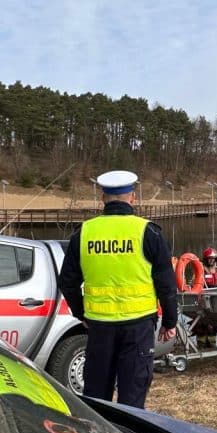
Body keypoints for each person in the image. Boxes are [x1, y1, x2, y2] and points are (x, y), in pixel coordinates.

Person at [59, 170, 178, 409]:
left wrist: (82, 313)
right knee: (132, 398)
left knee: (96, 397)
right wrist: (170, 321)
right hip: (138, 326)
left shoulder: (83, 233)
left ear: (103, 198)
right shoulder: (148, 232)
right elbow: (166, 283)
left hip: (99, 327)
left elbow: (68, 282)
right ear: (132, 197)